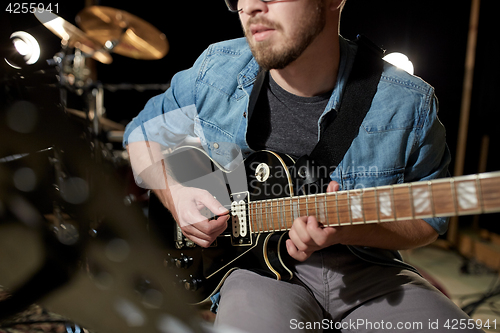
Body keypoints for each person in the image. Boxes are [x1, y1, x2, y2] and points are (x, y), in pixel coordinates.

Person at [124, 0, 484, 332]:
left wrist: (348, 230)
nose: (249, 5)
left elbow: (428, 219)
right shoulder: (216, 68)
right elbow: (141, 135)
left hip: (370, 275)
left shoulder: (408, 102)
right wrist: (176, 194)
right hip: (255, 275)